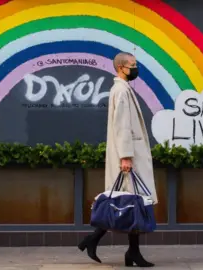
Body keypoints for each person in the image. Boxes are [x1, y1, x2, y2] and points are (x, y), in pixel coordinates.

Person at [77, 52, 158, 268]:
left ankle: (125, 250)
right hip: (129, 158)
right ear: (121, 67)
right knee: (129, 203)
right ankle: (115, 247)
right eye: (132, 64)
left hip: (130, 156)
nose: (135, 67)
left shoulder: (123, 89)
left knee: (130, 204)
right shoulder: (121, 91)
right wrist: (126, 157)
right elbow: (122, 125)